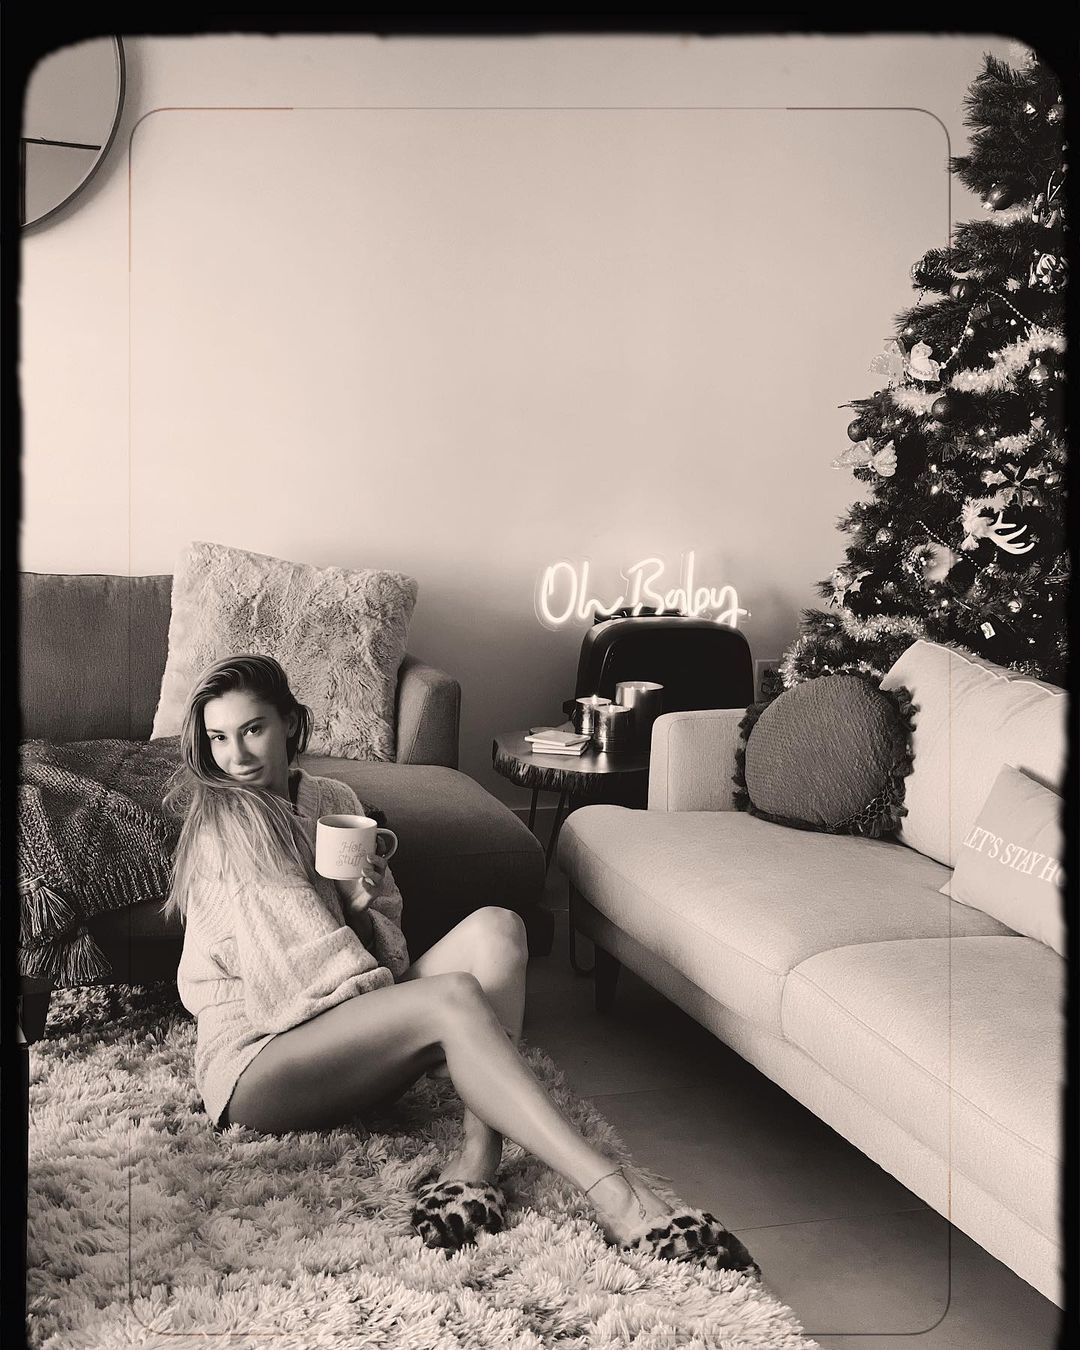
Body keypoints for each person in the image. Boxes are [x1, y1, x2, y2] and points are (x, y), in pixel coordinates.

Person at [163, 653, 758, 1274]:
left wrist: (362, 907)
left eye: (252, 729)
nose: (236, 756)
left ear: (288, 723)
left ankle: (478, 1158)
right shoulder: (229, 826)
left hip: (338, 1025)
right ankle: (615, 1195)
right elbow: (293, 985)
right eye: (218, 738)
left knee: (499, 930)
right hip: (259, 1067)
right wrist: (419, 1016)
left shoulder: (332, 798)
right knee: (451, 999)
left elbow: (386, 944)